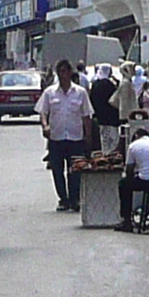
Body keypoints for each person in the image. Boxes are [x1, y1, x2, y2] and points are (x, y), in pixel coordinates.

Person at [39, 63, 92, 211]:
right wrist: (45, 126)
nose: (62, 75)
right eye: (59, 72)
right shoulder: (50, 93)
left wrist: (88, 136)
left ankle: (74, 199)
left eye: (64, 71)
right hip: (56, 137)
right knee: (57, 170)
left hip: (75, 137)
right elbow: (43, 112)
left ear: (70, 72)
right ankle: (63, 199)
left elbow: (86, 115)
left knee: (75, 170)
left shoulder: (80, 92)